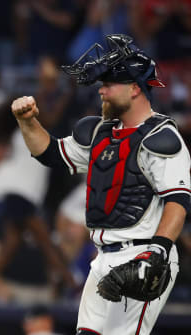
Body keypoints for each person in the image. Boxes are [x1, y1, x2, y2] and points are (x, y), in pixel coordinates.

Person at [10, 34, 190, 335]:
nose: (102, 91)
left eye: (109, 84)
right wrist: (28, 122)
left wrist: (157, 252)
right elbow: (52, 154)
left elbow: (178, 201)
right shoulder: (100, 132)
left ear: (135, 88)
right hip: (103, 257)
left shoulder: (161, 137)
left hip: (142, 254)